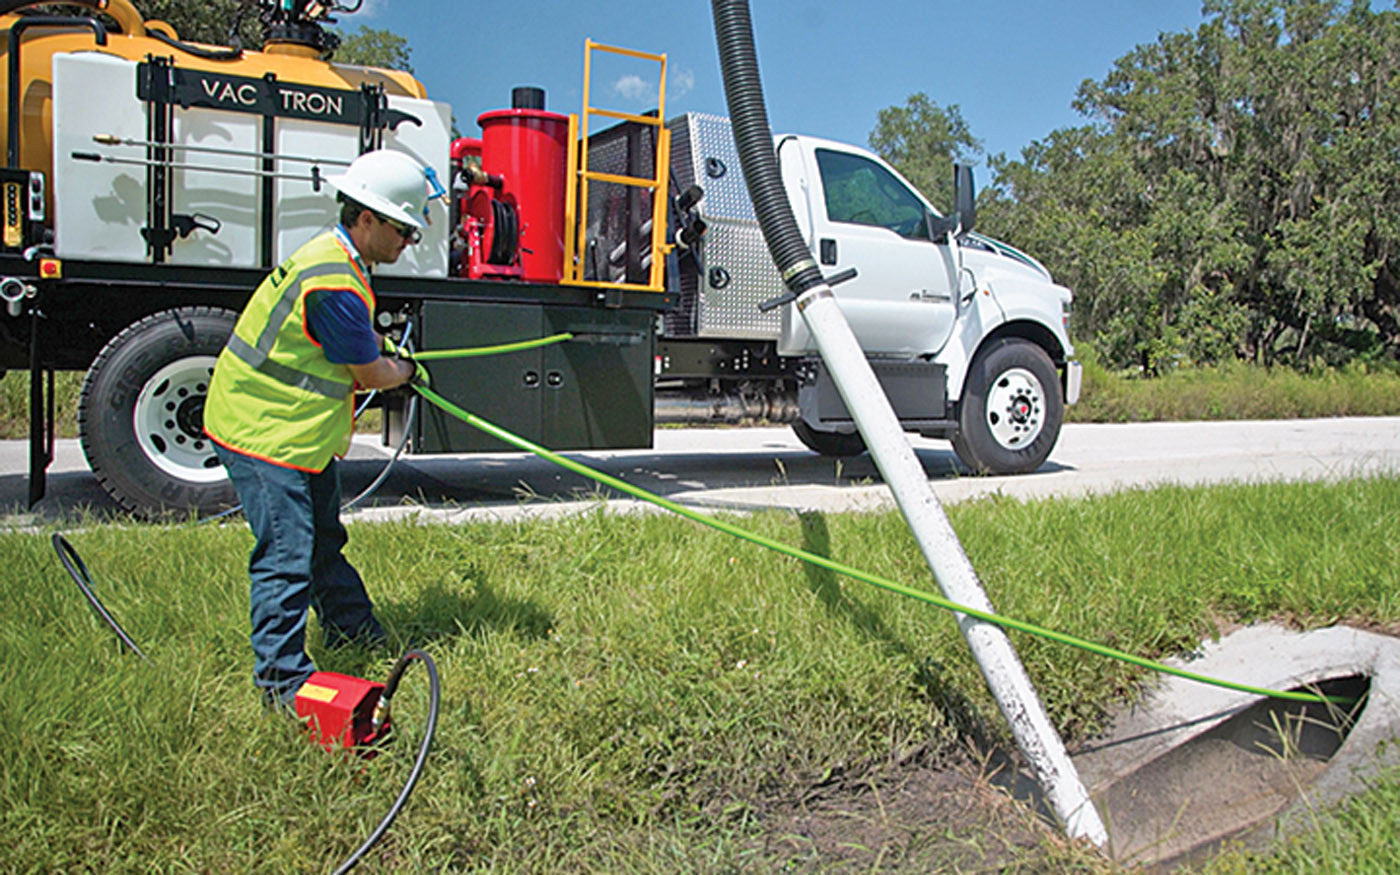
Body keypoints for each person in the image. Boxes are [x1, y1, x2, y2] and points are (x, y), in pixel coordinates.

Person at [204, 149, 429, 708]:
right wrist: (405, 369)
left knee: (323, 541)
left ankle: (355, 633)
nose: (409, 242)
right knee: (287, 554)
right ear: (367, 219)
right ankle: (281, 685)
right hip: (263, 433)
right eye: (404, 229)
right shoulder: (335, 281)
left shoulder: (338, 261)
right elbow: (369, 372)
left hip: (295, 435)